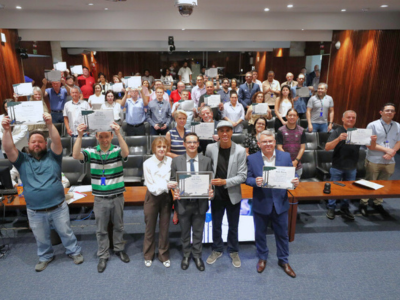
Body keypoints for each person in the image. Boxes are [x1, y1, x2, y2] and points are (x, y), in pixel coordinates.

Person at [2, 112, 83, 272]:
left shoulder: (54, 157)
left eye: (40, 141)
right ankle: (45, 256)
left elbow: (57, 141)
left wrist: (50, 124)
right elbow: (8, 148)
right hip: (34, 210)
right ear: (28, 144)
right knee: (41, 238)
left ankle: (74, 251)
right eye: (33, 142)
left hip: (58, 206)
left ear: (45, 144)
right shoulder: (22, 160)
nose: (37, 144)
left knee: (66, 232)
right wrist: (6, 130)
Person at [73, 121, 130, 273]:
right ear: (97, 137)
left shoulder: (117, 150)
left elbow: (126, 153)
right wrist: (79, 135)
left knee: (119, 226)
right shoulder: (91, 152)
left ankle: (119, 249)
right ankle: (103, 255)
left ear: (111, 136)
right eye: (101, 137)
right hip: (100, 198)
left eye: (107, 136)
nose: (104, 140)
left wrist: (119, 133)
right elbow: (75, 155)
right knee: (101, 229)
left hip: (117, 195)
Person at [246, 129, 299, 277]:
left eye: (270, 141)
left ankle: (283, 260)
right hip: (261, 202)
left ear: (275, 142)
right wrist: (254, 182)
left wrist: (295, 181)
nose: (268, 144)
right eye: (264, 141)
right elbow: (247, 178)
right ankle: (262, 258)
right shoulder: (252, 159)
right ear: (259, 144)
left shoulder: (285, 156)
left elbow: (292, 175)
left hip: (280, 203)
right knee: (260, 233)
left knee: (282, 234)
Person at [205, 121, 247, 268]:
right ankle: (217, 249)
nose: (224, 133)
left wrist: (225, 182)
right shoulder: (210, 148)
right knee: (216, 224)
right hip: (216, 194)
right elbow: (207, 170)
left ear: (231, 132)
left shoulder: (240, 151)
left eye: (227, 131)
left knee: (233, 225)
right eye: (221, 131)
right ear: (218, 133)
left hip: (233, 193)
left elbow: (243, 176)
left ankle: (233, 250)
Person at [170, 132, 213, 271]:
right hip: (183, 203)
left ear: (198, 144)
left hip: (200, 203)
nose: (192, 145)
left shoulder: (206, 161)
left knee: (198, 232)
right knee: (185, 232)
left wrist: (211, 192)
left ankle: (197, 256)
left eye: (195, 142)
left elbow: (210, 182)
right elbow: (173, 180)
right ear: (184, 144)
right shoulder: (176, 161)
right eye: (189, 142)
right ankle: (186, 255)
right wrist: (175, 190)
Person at [325, 110, 376, 220]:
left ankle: (345, 208)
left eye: (353, 118)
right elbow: (327, 147)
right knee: (334, 188)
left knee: (349, 190)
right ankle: (331, 207)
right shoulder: (337, 131)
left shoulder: (359, 132)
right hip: (337, 166)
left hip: (352, 167)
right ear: (343, 119)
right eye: (348, 117)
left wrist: (373, 141)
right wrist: (338, 139)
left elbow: (371, 148)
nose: (351, 119)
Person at [359, 103, 400, 216]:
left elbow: (398, 142)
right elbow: (369, 144)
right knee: (369, 182)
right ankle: (364, 203)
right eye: (387, 110)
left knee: (384, 183)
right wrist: (388, 150)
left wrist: (392, 153)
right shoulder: (372, 125)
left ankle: (377, 203)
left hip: (390, 160)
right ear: (381, 112)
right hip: (374, 159)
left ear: (395, 113)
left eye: (392, 111)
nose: (390, 112)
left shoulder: (397, 125)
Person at [143, 137, 175, 267]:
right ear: (154, 148)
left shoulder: (171, 161)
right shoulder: (147, 163)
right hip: (152, 197)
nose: (162, 149)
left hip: (166, 198)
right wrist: (166, 185)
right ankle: (148, 255)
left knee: (164, 228)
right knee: (150, 227)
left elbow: (174, 180)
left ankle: (163, 255)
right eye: (159, 147)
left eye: (164, 147)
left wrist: (168, 186)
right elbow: (152, 187)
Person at [276, 109, 306, 178]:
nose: (292, 117)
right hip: (284, 164)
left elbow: (302, 148)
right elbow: (279, 147)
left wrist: (296, 161)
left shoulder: (302, 130)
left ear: (297, 117)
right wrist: (289, 160)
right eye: (290, 115)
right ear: (286, 116)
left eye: (294, 115)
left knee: (297, 188)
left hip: (297, 165)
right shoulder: (280, 130)